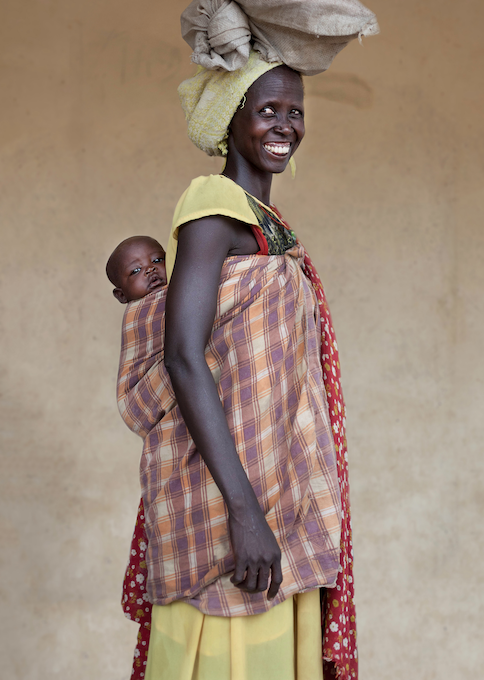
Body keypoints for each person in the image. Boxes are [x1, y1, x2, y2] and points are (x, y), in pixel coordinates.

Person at [116, 55, 357, 680]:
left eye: (295, 111)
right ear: (232, 119)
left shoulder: (268, 225)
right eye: (267, 110)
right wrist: (245, 514)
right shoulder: (211, 202)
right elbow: (182, 356)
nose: (285, 125)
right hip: (230, 508)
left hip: (282, 495)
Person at [106, 236, 167, 303]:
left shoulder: (179, 291)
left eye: (157, 260)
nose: (150, 269)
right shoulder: (137, 313)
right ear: (122, 295)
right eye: (136, 270)